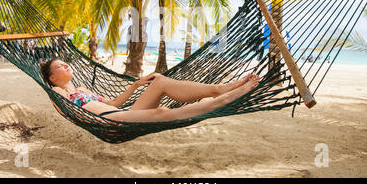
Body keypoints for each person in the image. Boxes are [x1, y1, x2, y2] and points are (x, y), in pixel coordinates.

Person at [40, 58, 260, 123]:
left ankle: (219, 89)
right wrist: (56, 93)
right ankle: (225, 99)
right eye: (60, 66)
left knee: (161, 81)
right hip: (107, 121)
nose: (66, 65)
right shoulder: (60, 94)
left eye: (66, 63)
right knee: (162, 112)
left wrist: (136, 84)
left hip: (117, 113)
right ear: (52, 78)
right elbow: (68, 111)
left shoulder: (81, 88)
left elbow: (115, 103)